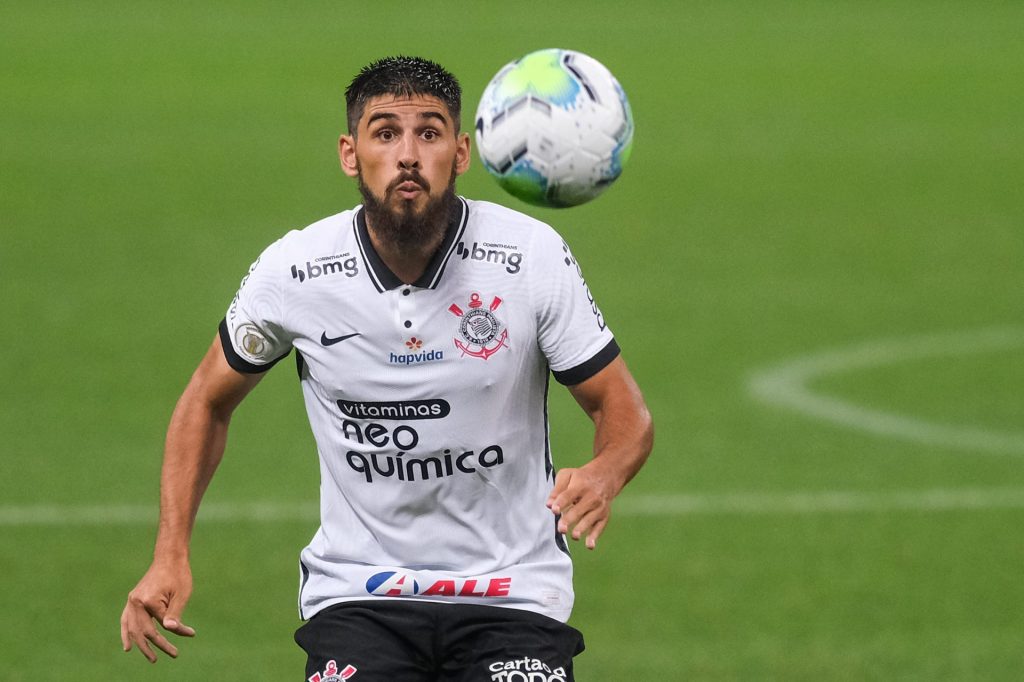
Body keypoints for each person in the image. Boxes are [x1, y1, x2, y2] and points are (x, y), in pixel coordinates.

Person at [120, 55, 653, 681]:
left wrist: (605, 472)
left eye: (428, 133)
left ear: (460, 153)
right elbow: (206, 401)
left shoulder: (528, 258)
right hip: (359, 595)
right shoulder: (296, 270)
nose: (407, 154)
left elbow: (624, 410)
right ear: (351, 154)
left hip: (512, 597)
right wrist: (170, 552)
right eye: (385, 133)